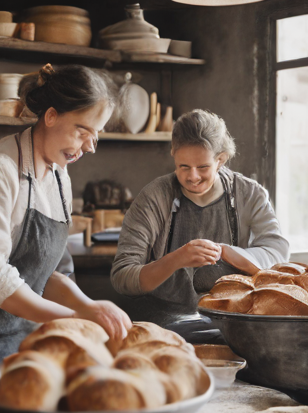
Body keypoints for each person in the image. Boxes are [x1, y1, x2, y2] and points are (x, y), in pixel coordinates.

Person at [0, 64, 131, 400]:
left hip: (30, 353)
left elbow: (46, 273)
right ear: (50, 116)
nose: (91, 146)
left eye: (96, 134)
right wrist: (77, 318)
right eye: (82, 131)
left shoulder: (58, 175)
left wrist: (91, 307)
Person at [110, 109, 289, 329]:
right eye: (183, 167)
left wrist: (226, 252)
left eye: (203, 167)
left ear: (221, 160)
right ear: (173, 154)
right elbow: (122, 276)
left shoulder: (249, 194)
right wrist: (176, 259)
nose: (192, 177)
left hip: (233, 320)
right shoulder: (153, 198)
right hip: (165, 323)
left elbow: (278, 254)